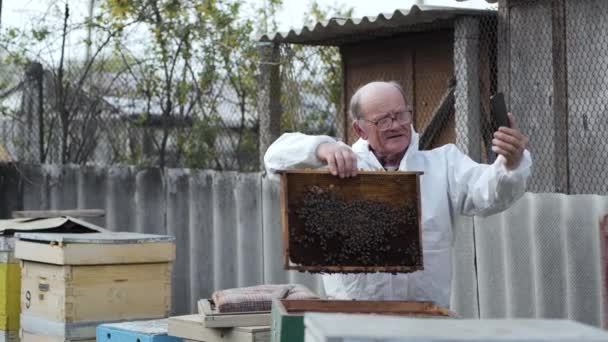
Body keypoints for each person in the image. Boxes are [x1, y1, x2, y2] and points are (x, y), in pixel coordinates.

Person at [264, 81, 532, 308]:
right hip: (351, 319)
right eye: (383, 120)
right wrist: (321, 147)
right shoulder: (339, 162)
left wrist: (510, 164)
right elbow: (275, 158)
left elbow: (489, 194)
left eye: (401, 115)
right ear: (359, 129)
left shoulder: (444, 164)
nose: (396, 125)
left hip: (424, 321)